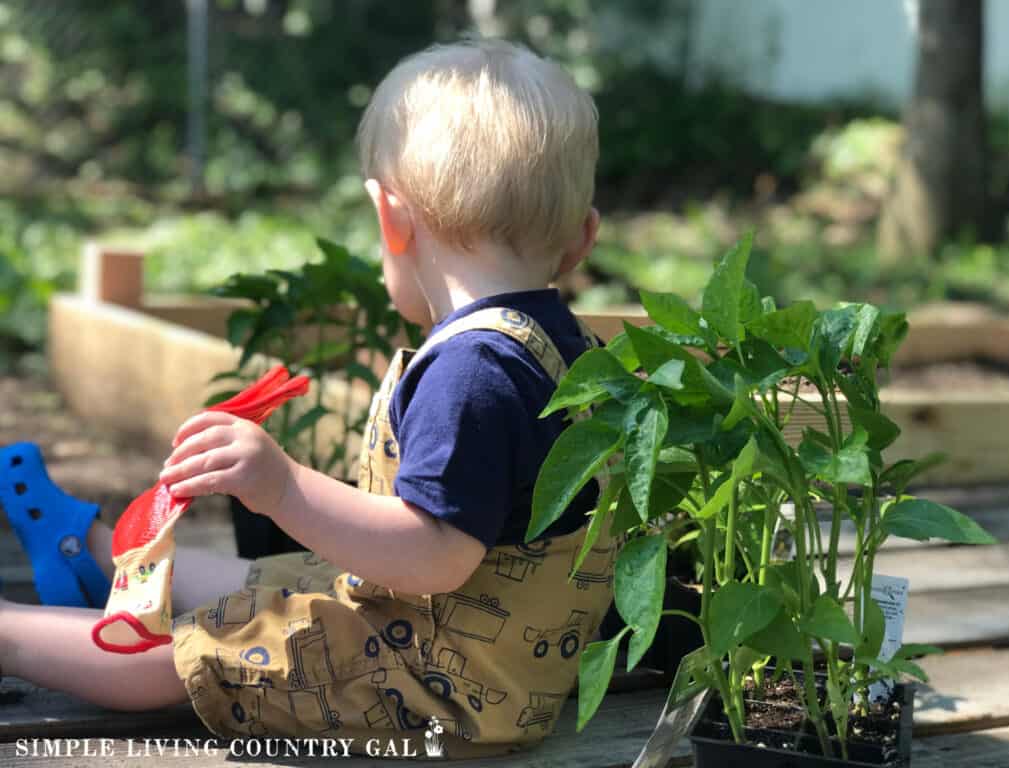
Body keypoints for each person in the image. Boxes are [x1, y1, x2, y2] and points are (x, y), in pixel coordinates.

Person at [0, 37, 618, 757]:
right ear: (583, 240)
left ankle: (12, 633)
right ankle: (97, 554)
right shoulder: (563, 347)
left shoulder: (472, 374)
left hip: (440, 685)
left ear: (390, 217)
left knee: (203, 652)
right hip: (489, 656)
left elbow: (434, 555)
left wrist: (284, 487)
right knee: (282, 577)